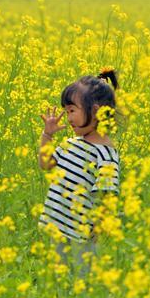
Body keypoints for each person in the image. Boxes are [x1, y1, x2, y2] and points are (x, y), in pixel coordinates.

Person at [37, 68, 121, 277]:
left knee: (85, 278)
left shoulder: (105, 155)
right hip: (57, 223)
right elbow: (46, 163)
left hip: (83, 233)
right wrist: (47, 134)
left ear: (94, 111)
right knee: (59, 277)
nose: (68, 117)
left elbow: (107, 195)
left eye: (72, 111)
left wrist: (98, 228)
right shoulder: (70, 144)